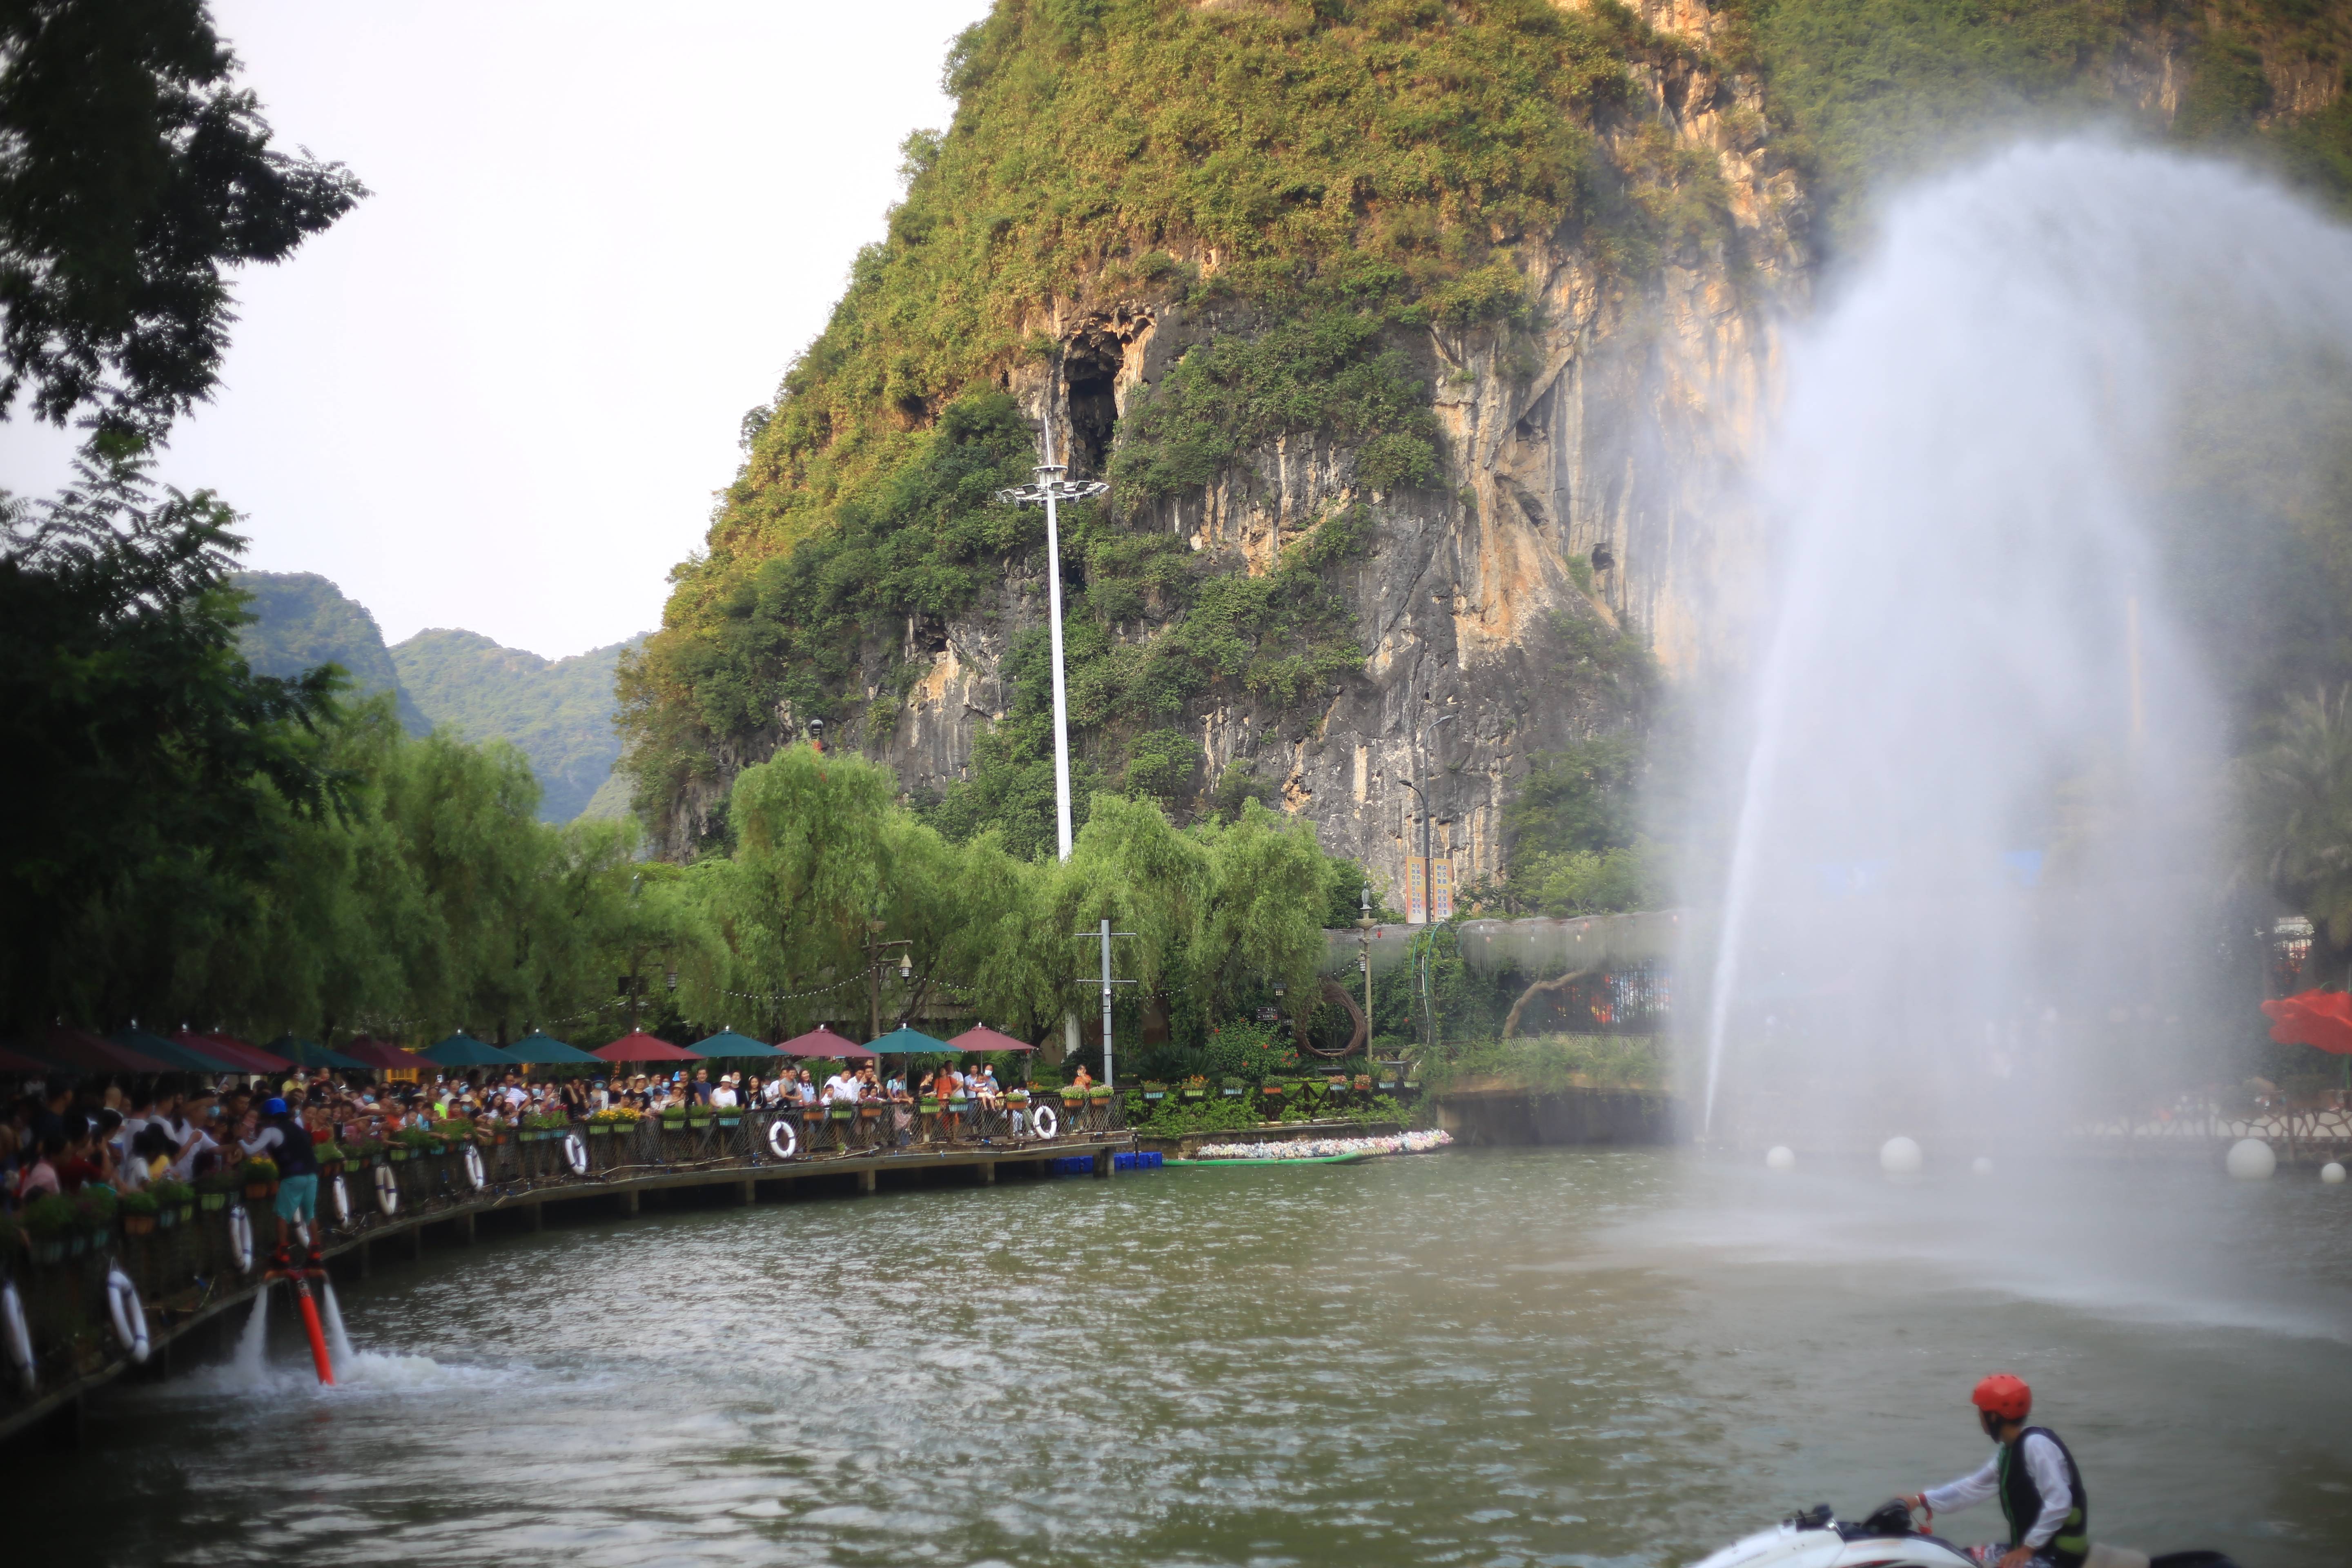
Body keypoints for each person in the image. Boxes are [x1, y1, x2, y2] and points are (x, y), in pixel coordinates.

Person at [1904, 1374, 2089, 1568]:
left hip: (2058, 1557)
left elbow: (2060, 1502)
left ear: (1993, 1417)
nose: (1979, 1417)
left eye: (1981, 1412)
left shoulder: (2037, 1446)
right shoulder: (2010, 1451)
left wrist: (2027, 1549)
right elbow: (1975, 1486)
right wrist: (1921, 1500)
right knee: (1956, 1558)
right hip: (2036, 1550)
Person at [241, 1096, 322, 1270]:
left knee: (282, 1215)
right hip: (312, 1175)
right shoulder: (298, 1129)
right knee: (310, 1214)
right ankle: (315, 1252)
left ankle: (283, 1254)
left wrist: (239, 1138)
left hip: (293, 1177)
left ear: (268, 1115)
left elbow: (250, 1151)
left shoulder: (272, 1131)